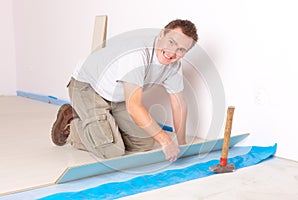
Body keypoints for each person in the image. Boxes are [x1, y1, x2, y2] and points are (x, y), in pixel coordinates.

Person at [51, 19, 198, 162]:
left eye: (181, 50)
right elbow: (134, 107)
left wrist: (183, 144)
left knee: (144, 142)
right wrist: (166, 141)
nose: (172, 52)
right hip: (87, 86)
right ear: (162, 34)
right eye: (171, 42)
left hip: (117, 96)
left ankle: (105, 128)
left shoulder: (173, 66)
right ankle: (73, 124)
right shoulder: (138, 54)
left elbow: (178, 104)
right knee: (111, 151)